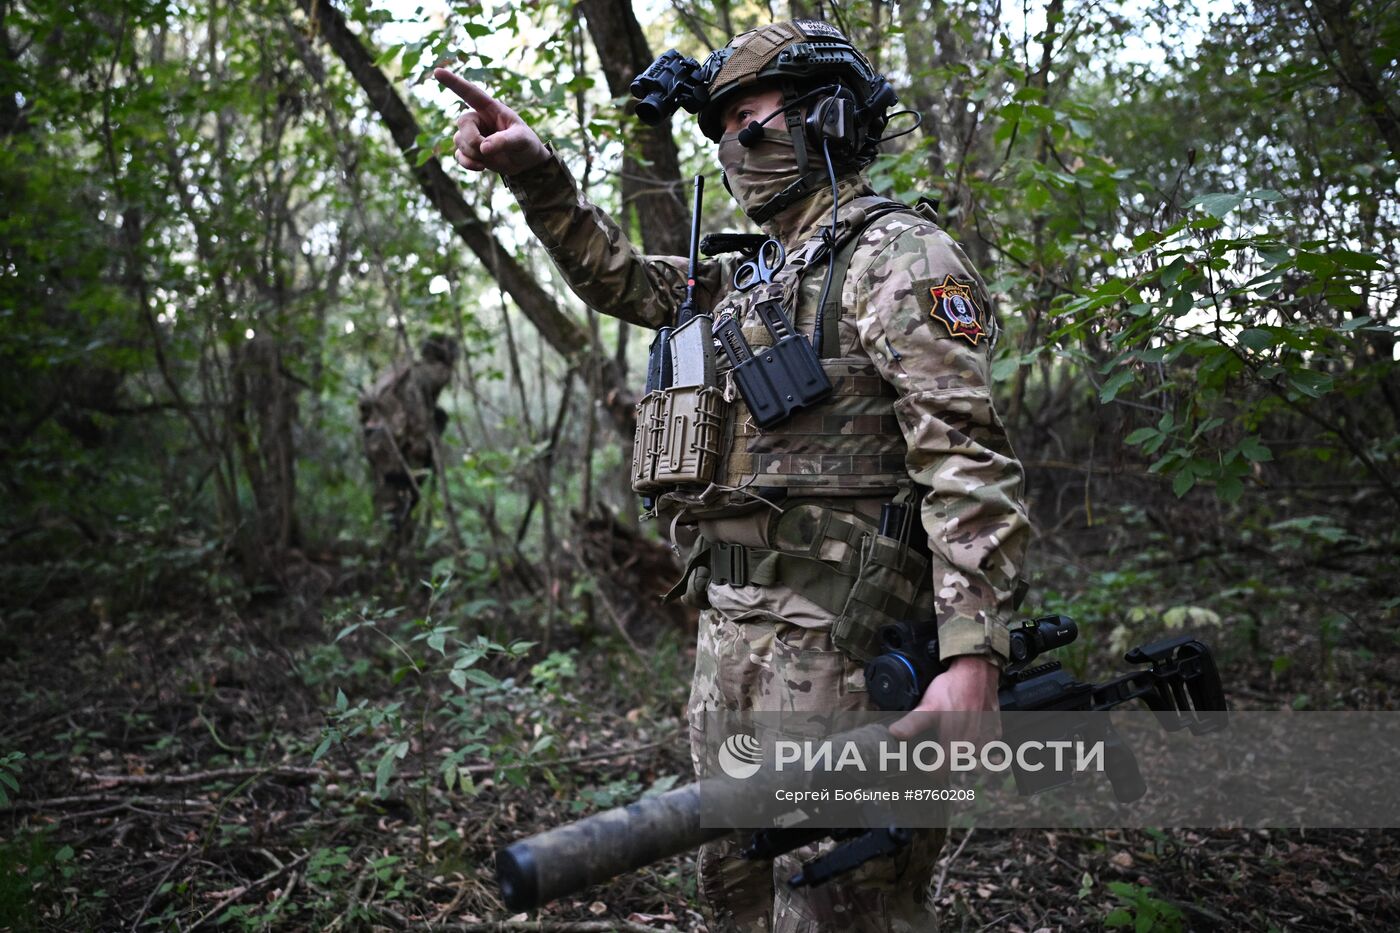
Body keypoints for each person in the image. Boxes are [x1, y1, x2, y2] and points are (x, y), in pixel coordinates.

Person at [437, 18, 1030, 932]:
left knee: (849, 902)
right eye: (718, 132)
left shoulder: (900, 257)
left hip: (846, 650)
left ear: (826, 120)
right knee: (736, 886)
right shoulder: (749, 279)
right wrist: (535, 171)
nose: (732, 148)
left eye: (747, 122)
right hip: (733, 643)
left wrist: (971, 652)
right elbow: (620, 277)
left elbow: (965, 457)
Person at [359, 334, 458, 540]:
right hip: (397, 443)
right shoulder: (428, 373)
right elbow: (416, 407)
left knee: (389, 497)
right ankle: (394, 549)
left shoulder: (402, 369)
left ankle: (385, 547)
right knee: (400, 500)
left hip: (379, 440)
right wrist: (420, 442)